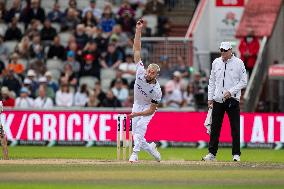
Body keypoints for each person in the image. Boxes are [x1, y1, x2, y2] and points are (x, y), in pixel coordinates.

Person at [202, 42, 247, 162]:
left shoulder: (239, 63)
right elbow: (212, 81)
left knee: (235, 127)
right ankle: (212, 153)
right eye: (221, 50)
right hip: (217, 99)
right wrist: (210, 98)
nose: (223, 52)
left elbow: (243, 81)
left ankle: (236, 154)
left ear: (230, 50)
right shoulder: (216, 62)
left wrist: (231, 92)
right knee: (215, 127)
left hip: (232, 99)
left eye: (225, 50)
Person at [128, 19, 162, 163]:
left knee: (141, 127)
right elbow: (136, 49)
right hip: (137, 104)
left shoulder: (157, 90)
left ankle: (134, 154)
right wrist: (138, 30)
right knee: (135, 136)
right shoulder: (140, 71)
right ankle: (150, 149)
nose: (149, 74)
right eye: (149, 71)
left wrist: (138, 114)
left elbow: (151, 110)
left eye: (152, 73)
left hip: (148, 109)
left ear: (156, 75)